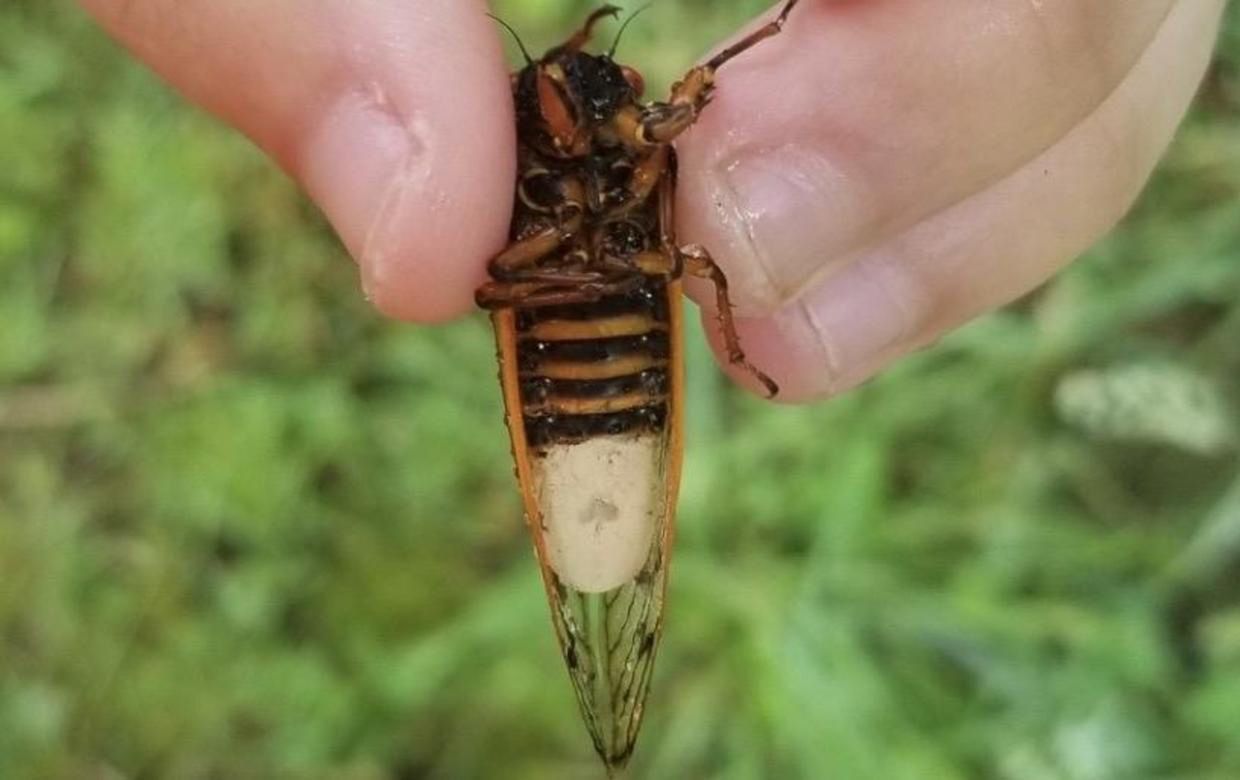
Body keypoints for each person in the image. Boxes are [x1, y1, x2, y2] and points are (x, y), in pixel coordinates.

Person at [80, 0, 1225, 401]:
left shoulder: (641, 142)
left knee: (703, 260)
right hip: (590, 312)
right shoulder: (577, 150)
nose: (589, 104)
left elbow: (682, 173)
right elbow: (488, 272)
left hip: (614, 303)